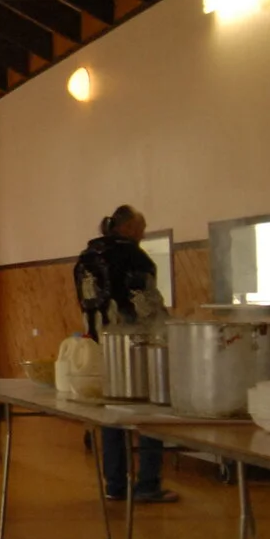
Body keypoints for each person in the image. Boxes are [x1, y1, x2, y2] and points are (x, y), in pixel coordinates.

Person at [73, 204, 177, 503]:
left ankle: (115, 484)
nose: (143, 234)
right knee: (150, 411)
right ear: (128, 228)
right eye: (141, 229)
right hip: (136, 344)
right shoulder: (134, 257)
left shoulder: (87, 257)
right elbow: (146, 302)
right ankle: (148, 484)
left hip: (99, 344)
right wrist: (167, 330)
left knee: (113, 411)